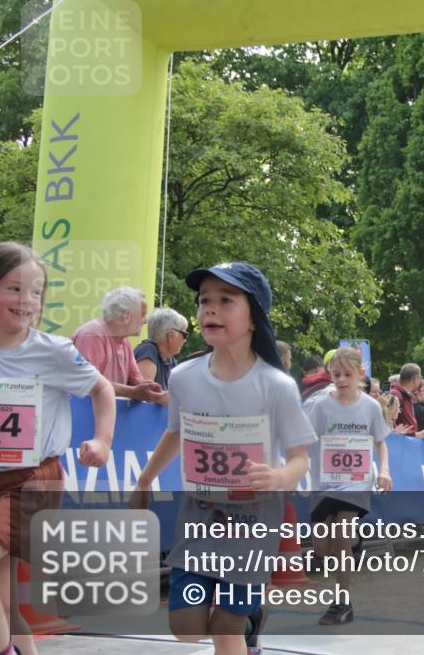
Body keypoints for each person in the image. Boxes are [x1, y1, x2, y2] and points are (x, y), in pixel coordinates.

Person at [129, 262, 315, 655]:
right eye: (204, 301)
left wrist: (280, 477)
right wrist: (145, 480)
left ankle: (243, 625)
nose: (210, 309)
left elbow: (300, 458)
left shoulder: (277, 385)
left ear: (254, 318)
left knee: (225, 628)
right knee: (186, 629)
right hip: (198, 520)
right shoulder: (183, 377)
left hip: (252, 524)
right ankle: (251, 621)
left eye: (225, 300)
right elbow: (175, 433)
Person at [0, 242, 116, 655]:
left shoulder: (52, 350)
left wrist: (102, 439)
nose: (26, 301)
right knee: (2, 598)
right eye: (14, 289)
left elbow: (102, 389)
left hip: (32, 479)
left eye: (36, 291)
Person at [304, 347, 392, 625]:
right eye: (336, 374)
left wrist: (385, 470)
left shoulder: (370, 406)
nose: (341, 380)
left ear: (360, 375)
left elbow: (380, 442)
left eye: (347, 374)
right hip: (325, 482)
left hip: (357, 481)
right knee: (321, 546)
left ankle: (342, 603)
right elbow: (306, 438)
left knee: (342, 537)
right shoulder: (321, 405)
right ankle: (321, 554)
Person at [72, 286, 166, 404]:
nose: (145, 321)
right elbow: (87, 381)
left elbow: (136, 381)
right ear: (126, 316)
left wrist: (154, 391)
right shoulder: (91, 335)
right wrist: (133, 392)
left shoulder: (125, 343)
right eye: (142, 315)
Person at [134, 307, 189, 390]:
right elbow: (144, 394)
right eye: (184, 335)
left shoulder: (170, 360)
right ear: (170, 336)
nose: (185, 340)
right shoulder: (147, 351)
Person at [390, 363, 422, 435]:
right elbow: (389, 420)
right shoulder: (396, 394)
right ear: (416, 379)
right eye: (420, 378)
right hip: (399, 443)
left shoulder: (405, 394)